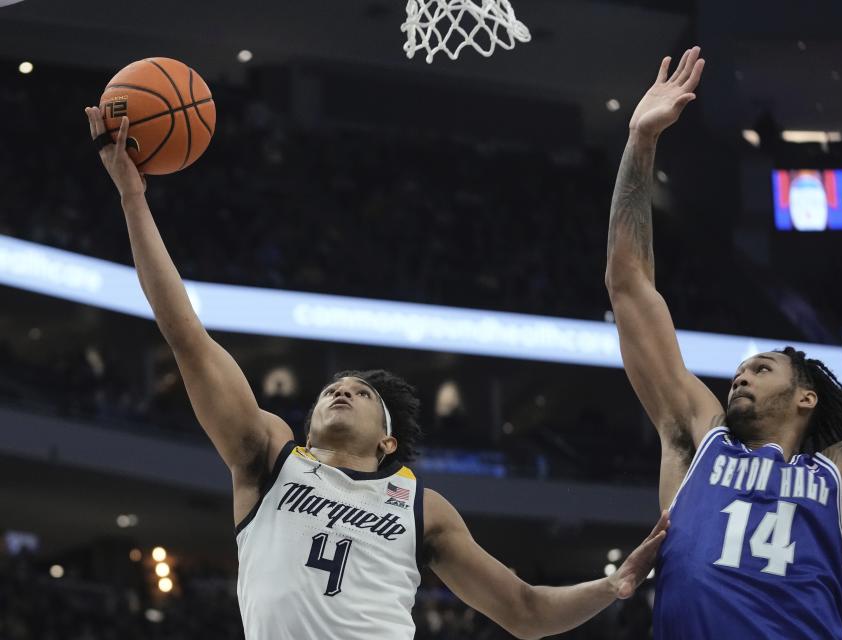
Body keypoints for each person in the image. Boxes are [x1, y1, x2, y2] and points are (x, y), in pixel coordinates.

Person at [84, 105, 669, 640]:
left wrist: (612, 587)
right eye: (331, 390)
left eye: (361, 393)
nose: (341, 390)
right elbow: (186, 335)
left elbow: (525, 610)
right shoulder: (269, 460)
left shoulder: (421, 507)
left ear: (387, 439)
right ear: (308, 429)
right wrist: (133, 200)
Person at [604, 46, 842, 639]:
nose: (740, 377)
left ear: (806, 398)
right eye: (742, 370)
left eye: (762, 368)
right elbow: (629, 285)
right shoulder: (697, 438)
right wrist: (640, 141)